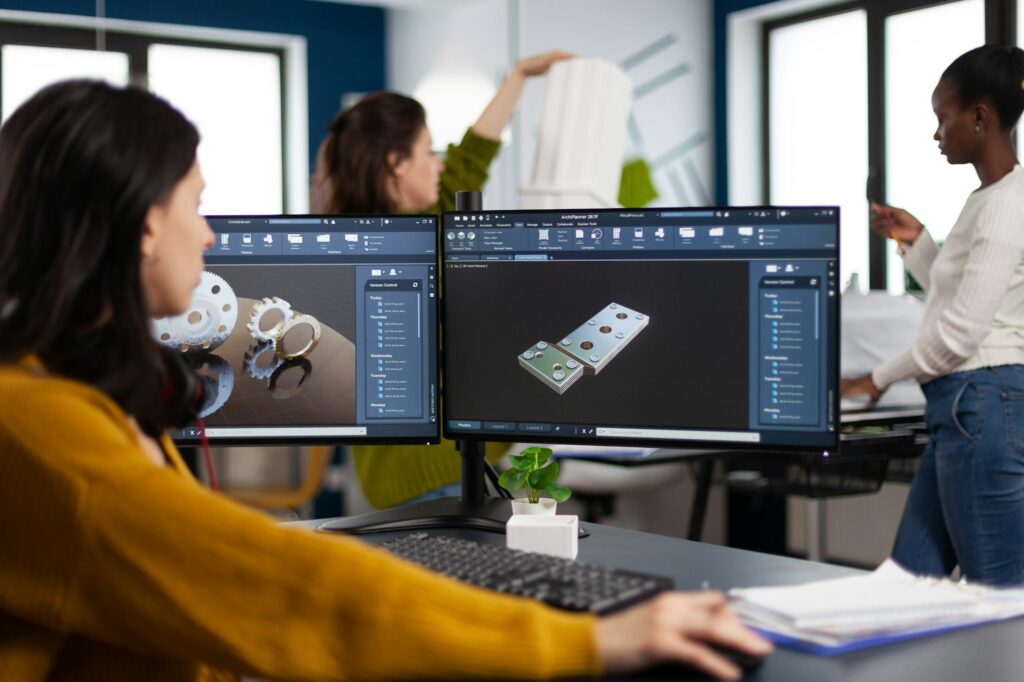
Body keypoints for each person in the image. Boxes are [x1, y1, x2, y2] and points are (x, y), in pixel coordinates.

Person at [0, 80, 771, 681]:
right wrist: (587, 640)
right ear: (142, 226)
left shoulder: (66, 397)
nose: (208, 234)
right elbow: (277, 591)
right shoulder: (45, 432)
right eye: (197, 206)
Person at [312, 51, 572, 509]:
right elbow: (471, 158)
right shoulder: (428, 235)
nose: (439, 163)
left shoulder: (338, 244)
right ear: (398, 163)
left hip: (385, 481)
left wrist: (519, 76)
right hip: (444, 471)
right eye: (429, 150)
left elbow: (472, 156)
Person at [842, 46, 1024, 587]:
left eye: (943, 117)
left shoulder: (1005, 205)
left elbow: (961, 334)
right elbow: (959, 293)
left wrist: (874, 380)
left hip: (980, 401)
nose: (937, 132)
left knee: (997, 599)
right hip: (968, 407)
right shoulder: (990, 198)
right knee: (908, 581)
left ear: (980, 116)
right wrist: (917, 240)